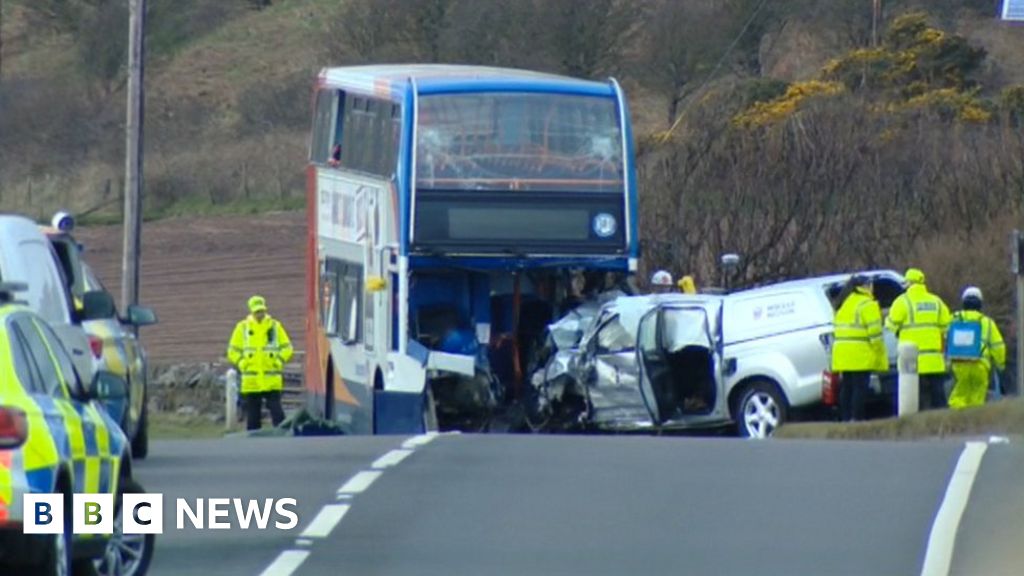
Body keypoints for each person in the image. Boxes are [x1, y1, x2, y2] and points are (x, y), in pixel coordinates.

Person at [885, 268, 952, 411]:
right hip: (934, 360)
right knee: (938, 397)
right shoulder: (936, 301)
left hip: (912, 360)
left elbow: (890, 325)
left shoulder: (902, 302)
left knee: (915, 399)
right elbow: (947, 327)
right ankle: (943, 421)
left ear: (908, 283)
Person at [227, 295, 294, 431]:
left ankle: (284, 439)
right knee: (253, 417)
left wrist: (278, 361)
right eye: (257, 311)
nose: (260, 314)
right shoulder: (242, 328)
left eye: (261, 311)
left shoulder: (275, 326)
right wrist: (242, 363)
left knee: (278, 414)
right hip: (251, 381)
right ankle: (253, 441)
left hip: (271, 379)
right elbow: (232, 351)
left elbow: (287, 348)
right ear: (251, 311)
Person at [831, 275, 888, 421]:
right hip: (859, 354)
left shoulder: (844, 303)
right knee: (860, 388)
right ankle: (857, 419)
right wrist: (879, 353)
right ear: (866, 286)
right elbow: (875, 333)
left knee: (847, 387)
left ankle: (845, 419)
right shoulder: (867, 304)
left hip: (842, 353)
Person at [947, 286, 1006, 409]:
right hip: (980, 365)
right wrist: (1000, 365)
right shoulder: (987, 322)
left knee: (959, 396)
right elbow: (998, 347)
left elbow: (944, 338)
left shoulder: (953, 318)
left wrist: (945, 363)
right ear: (980, 304)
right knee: (977, 399)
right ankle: (974, 419)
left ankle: (956, 418)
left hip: (959, 364)